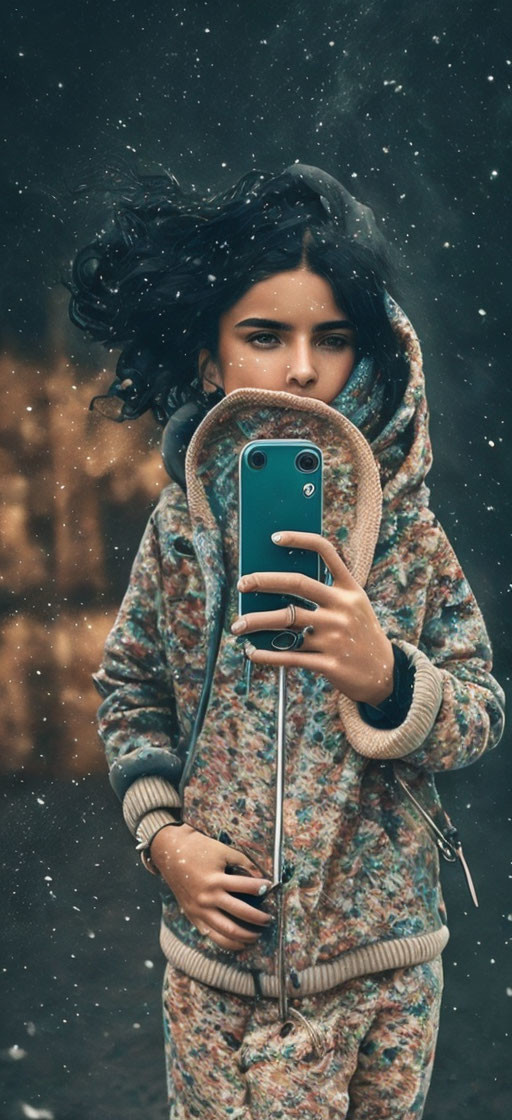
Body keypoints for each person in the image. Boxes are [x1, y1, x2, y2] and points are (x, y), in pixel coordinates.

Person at [66, 162, 505, 1119]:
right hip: (218, 980)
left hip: (381, 980)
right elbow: (130, 689)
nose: (302, 367)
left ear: (373, 354)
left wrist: (389, 678)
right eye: (265, 335)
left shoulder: (408, 535)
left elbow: (479, 712)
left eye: (332, 339)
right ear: (211, 357)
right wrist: (163, 838)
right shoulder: (181, 533)